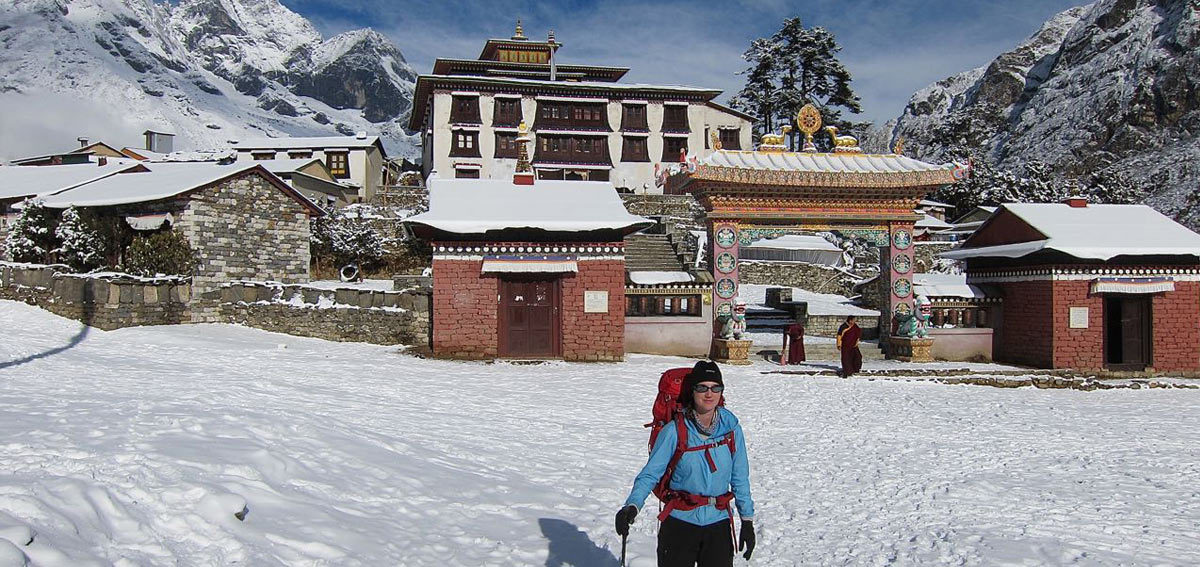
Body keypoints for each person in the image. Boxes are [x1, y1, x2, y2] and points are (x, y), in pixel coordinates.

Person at [616, 360, 755, 566]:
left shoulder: (731, 430)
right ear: (693, 391)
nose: (709, 393)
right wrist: (632, 505)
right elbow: (650, 474)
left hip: (718, 524)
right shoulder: (674, 431)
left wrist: (747, 521)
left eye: (715, 387)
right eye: (702, 387)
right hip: (680, 523)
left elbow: (740, 477)